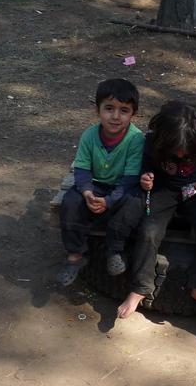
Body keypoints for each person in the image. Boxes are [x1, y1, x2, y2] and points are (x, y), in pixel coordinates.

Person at [117, 102, 196, 350]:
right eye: (175, 150)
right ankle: (140, 287)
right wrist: (146, 178)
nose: (181, 155)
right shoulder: (154, 138)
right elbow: (146, 164)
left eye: (186, 151)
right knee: (149, 231)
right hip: (164, 190)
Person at [57, 78, 145, 286]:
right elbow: (82, 169)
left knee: (134, 202)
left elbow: (130, 179)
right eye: (109, 108)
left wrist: (109, 201)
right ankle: (75, 255)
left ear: (133, 114)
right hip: (95, 185)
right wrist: (87, 191)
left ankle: (115, 250)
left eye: (124, 110)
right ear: (98, 111)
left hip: (123, 187)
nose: (115, 116)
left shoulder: (136, 139)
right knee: (70, 202)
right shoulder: (89, 135)